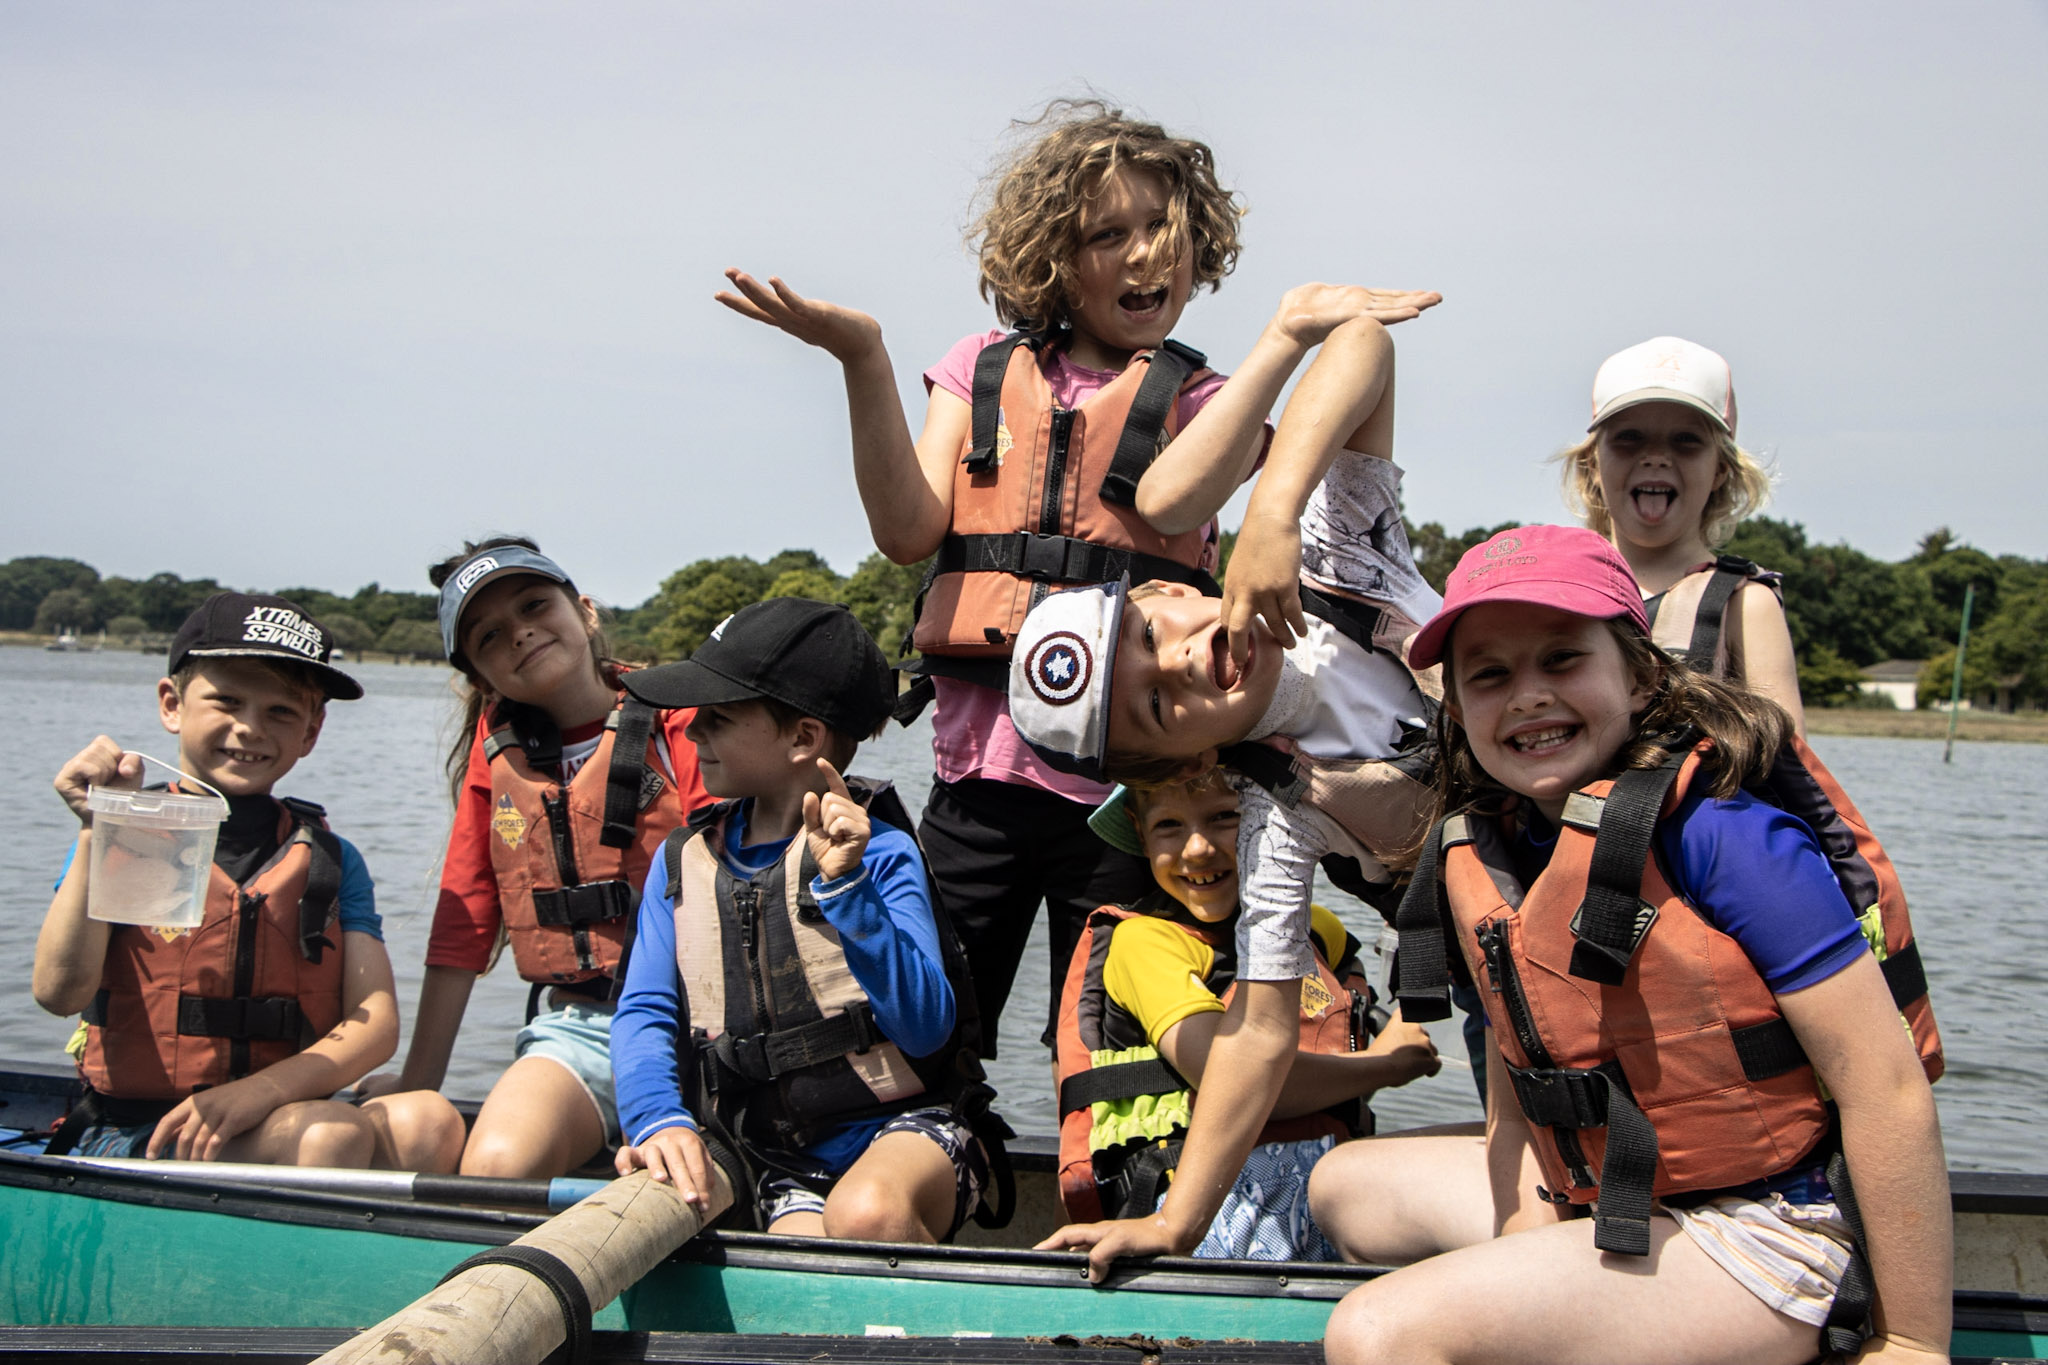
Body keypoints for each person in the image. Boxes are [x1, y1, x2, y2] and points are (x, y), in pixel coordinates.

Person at [716, 97, 1439, 1054]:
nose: (1146, 255)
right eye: (1110, 234)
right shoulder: (979, 368)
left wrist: (1284, 340)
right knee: (932, 1030)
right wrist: (863, 358)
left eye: (1163, 230)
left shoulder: (1206, 399)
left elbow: (1177, 503)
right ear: (1055, 255)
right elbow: (906, 529)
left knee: (1107, 1037)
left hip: (1128, 799)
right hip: (977, 781)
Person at [1309, 524, 1947, 1365]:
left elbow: (1888, 1084)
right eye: (1491, 674)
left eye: (1563, 659)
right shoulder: (1493, 846)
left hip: (1767, 1228)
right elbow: (1523, 1085)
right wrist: (1527, 1248)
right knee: (1343, 1188)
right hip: (1616, 1192)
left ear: (1642, 675)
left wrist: (1910, 1341)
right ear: (1457, 709)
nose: (1529, 695)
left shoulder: (1726, 833)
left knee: (1378, 1333)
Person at [1013, 314, 1459, 1277]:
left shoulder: (1339, 554)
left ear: (1166, 592)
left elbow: (1366, 349)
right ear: (1179, 759)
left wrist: (1273, 513)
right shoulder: (1277, 822)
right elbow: (1255, 1035)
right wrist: (1174, 1224)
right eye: (1161, 708)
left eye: (1151, 636)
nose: (1181, 664)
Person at [609, 599, 996, 1243]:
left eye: (718, 717)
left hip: (911, 1130)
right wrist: (656, 1119)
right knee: (799, 1248)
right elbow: (645, 1011)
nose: (693, 730)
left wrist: (848, 887)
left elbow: (926, 1031)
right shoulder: (680, 862)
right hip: (783, 1158)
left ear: (802, 738)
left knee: (866, 1214)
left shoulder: (882, 851)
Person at [34, 593, 464, 1171]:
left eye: (281, 712)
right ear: (172, 704)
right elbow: (59, 993)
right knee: (329, 1136)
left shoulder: (330, 861)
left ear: (311, 732)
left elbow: (375, 1025)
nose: (249, 728)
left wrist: (260, 1091)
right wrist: (98, 829)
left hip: (281, 1110)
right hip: (134, 1131)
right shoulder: (127, 833)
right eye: (227, 701)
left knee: (427, 1121)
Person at [356, 539, 709, 1178]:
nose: (520, 634)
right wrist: (417, 1080)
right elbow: (462, 929)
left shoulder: (683, 718)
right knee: (495, 1165)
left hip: (718, 1014)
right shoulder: (494, 762)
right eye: (490, 635)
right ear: (478, 676)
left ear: (586, 612)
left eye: (535, 606)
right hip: (588, 1024)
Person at [1054, 769, 1440, 1261]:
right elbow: (1230, 1080)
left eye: (1224, 818)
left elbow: (1362, 1012)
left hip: (1325, 1166)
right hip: (1199, 1195)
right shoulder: (1144, 943)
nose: (1197, 848)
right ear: (1139, 830)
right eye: (1169, 827)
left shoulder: (1320, 932)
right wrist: (1388, 1066)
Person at [1557, 335, 1802, 730]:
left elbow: (1786, 763)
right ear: (1593, 463)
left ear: (1720, 469)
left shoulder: (1747, 607)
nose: (1655, 457)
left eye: (1686, 441)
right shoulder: (1555, 589)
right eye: (1629, 438)